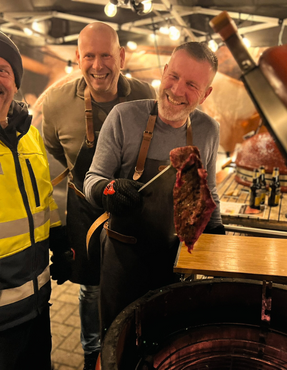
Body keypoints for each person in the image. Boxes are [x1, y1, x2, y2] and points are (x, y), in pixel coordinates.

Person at [83, 41, 225, 339]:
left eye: (191, 84)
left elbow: (208, 191)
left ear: (206, 93)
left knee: (164, 341)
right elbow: (92, 179)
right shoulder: (123, 117)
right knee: (116, 343)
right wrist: (110, 189)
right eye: (173, 76)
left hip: (175, 260)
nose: (176, 90)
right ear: (163, 71)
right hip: (122, 258)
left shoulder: (208, 130)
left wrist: (216, 233)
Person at [42, 22, 156, 369]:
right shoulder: (57, 102)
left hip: (130, 206)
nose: (98, 65)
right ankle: (92, 350)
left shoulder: (144, 94)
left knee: (132, 279)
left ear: (121, 55)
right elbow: (53, 153)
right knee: (90, 287)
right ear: (77, 57)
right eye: (88, 56)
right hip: (85, 205)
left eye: (106, 55)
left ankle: (129, 342)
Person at [0, 31, 64, 369]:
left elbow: (43, 201)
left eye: (3, 70)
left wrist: (61, 239)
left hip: (37, 306)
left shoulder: (29, 134)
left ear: (15, 82)